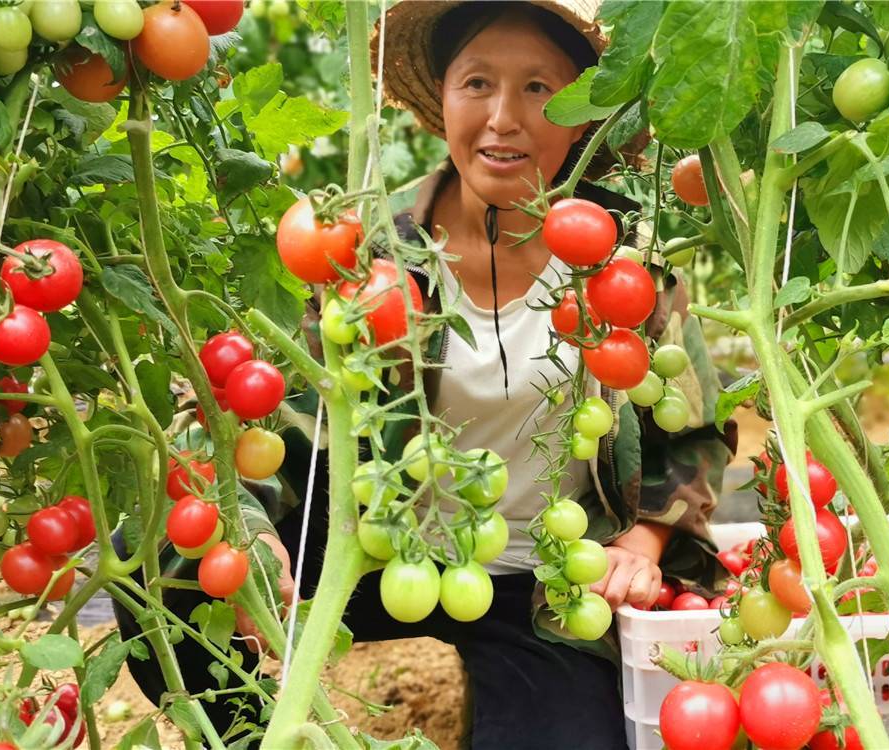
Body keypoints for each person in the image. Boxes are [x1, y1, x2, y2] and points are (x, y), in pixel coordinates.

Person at [112, 2, 737, 747]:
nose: (503, 116)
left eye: (539, 87)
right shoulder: (366, 249)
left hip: (544, 581)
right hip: (368, 545)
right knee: (163, 553)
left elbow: (694, 435)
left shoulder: (627, 272)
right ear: (442, 99)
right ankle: (247, 729)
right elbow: (274, 414)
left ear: (581, 115)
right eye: (476, 82)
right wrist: (251, 528)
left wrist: (641, 546)